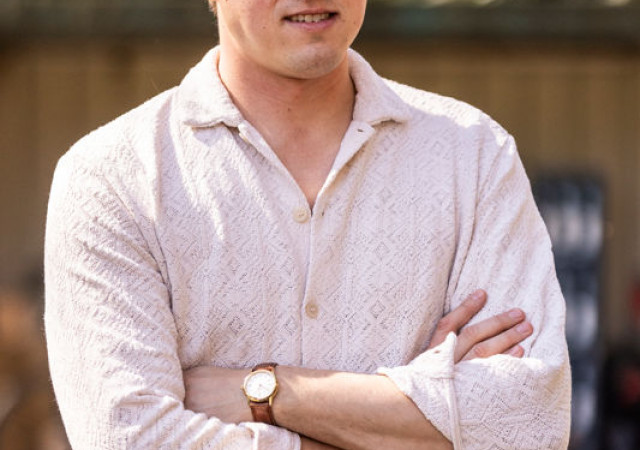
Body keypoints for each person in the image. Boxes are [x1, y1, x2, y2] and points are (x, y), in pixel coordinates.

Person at [44, 0, 571, 448]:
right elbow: (132, 438)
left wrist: (269, 392)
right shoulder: (113, 178)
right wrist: (408, 420)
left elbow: (531, 423)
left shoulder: (473, 154)